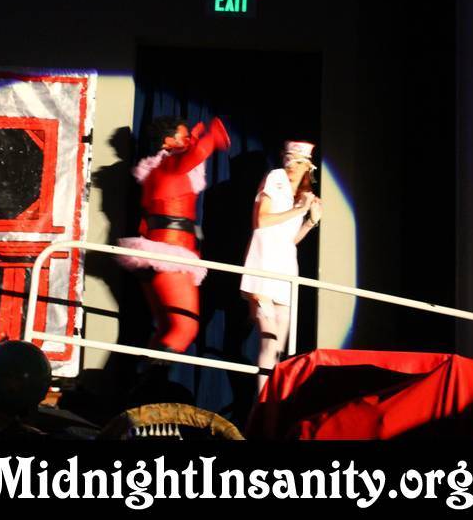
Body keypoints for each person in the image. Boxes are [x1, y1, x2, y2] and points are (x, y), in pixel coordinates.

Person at [116, 116, 230, 354]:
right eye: (184, 136)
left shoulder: (156, 171)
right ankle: (150, 375)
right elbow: (198, 153)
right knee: (185, 329)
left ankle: (144, 376)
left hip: (156, 254)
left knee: (165, 329)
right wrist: (212, 136)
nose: (189, 140)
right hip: (169, 256)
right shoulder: (169, 166)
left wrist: (198, 139)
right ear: (168, 142)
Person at [240, 141, 322, 392]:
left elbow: (289, 241)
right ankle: (263, 402)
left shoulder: (299, 194)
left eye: (299, 162)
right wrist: (299, 209)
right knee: (269, 340)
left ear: (308, 167)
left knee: (279, 348)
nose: (292, 166)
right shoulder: (276, 178)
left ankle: (269, 401)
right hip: (263, 269)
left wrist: (310, 221)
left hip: (285, 272)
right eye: (289, 159)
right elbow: (262, 220)